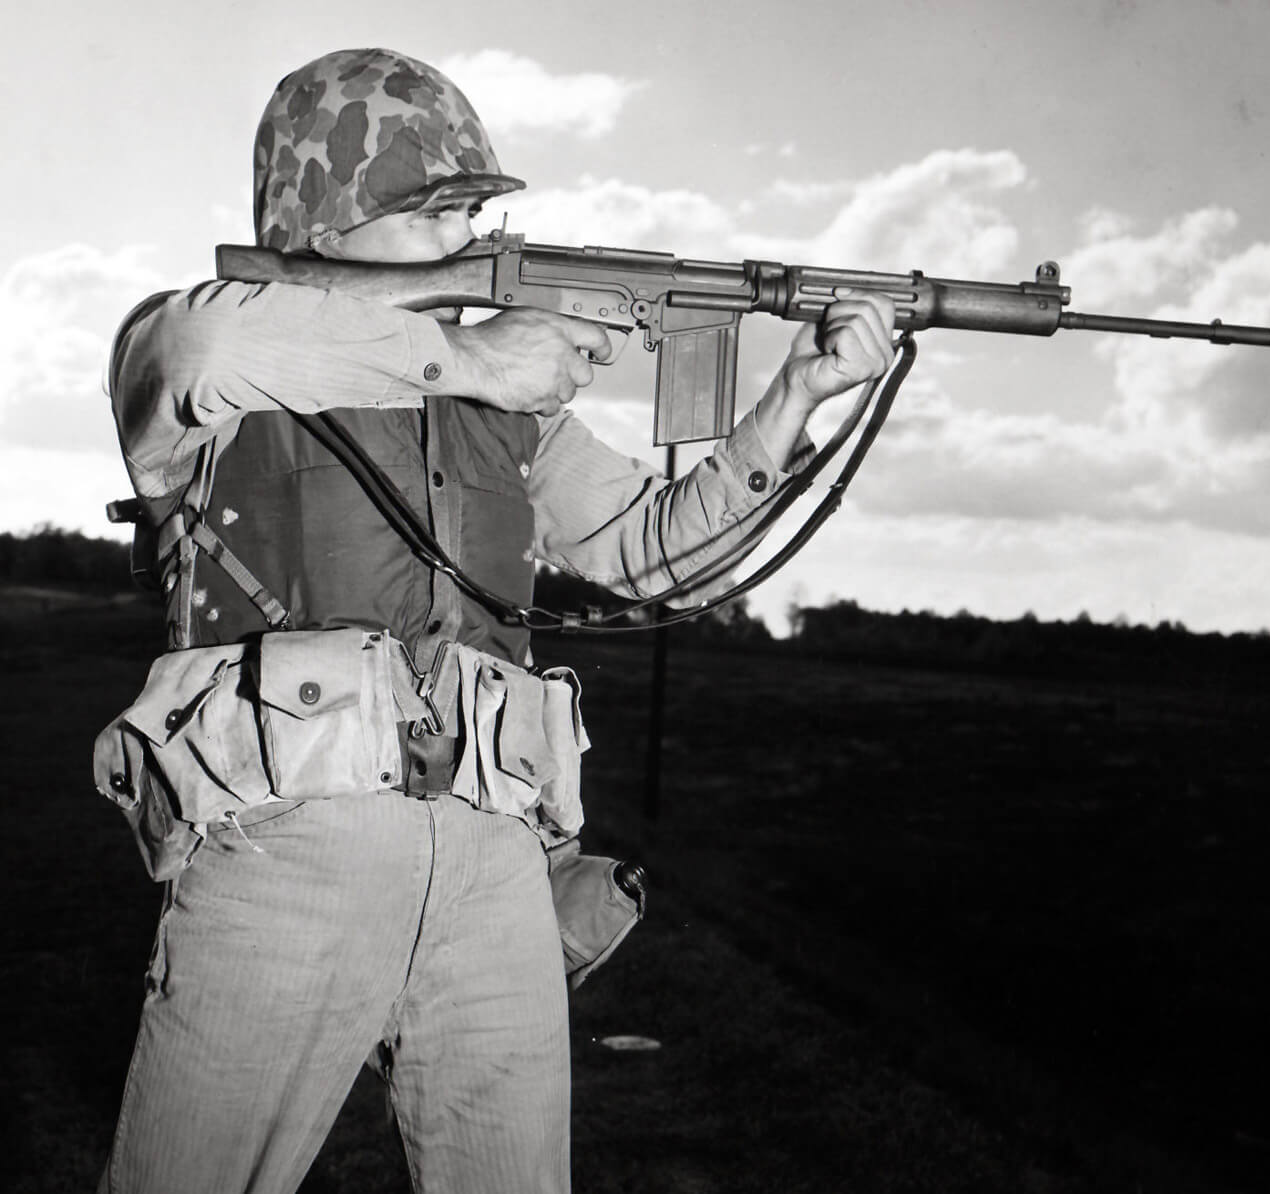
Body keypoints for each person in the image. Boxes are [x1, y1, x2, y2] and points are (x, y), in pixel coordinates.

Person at [94, 47, 896, 1194]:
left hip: (493, 869)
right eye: (433, 212)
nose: (467, 236)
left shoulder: (505, 418)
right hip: (281, 860)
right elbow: (202, 345)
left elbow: (654, 555)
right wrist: (467, 353)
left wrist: (795, 399)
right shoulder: (201, 359)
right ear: (319, 217)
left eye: (472, 207)